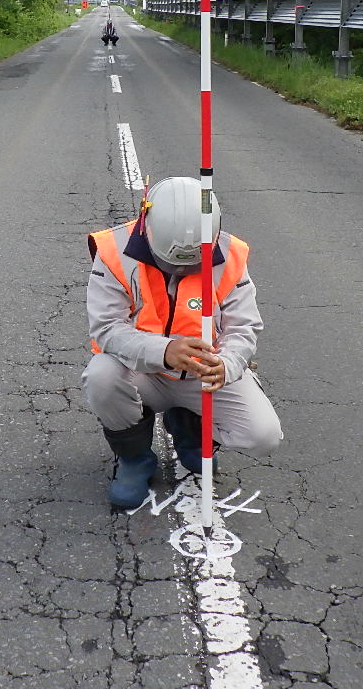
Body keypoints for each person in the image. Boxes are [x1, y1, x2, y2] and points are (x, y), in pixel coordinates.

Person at [84, 176, 283, 508]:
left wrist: (228, 364)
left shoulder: (229, 253)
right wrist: (164, 351)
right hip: (143, 373)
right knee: (101, 375)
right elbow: (106, 328)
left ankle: (190, 424)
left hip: (201, 375)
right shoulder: (113, 251)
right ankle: (134, 459)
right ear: (146, 226)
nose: (182, 271)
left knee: (263, 436)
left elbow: (243, 327)